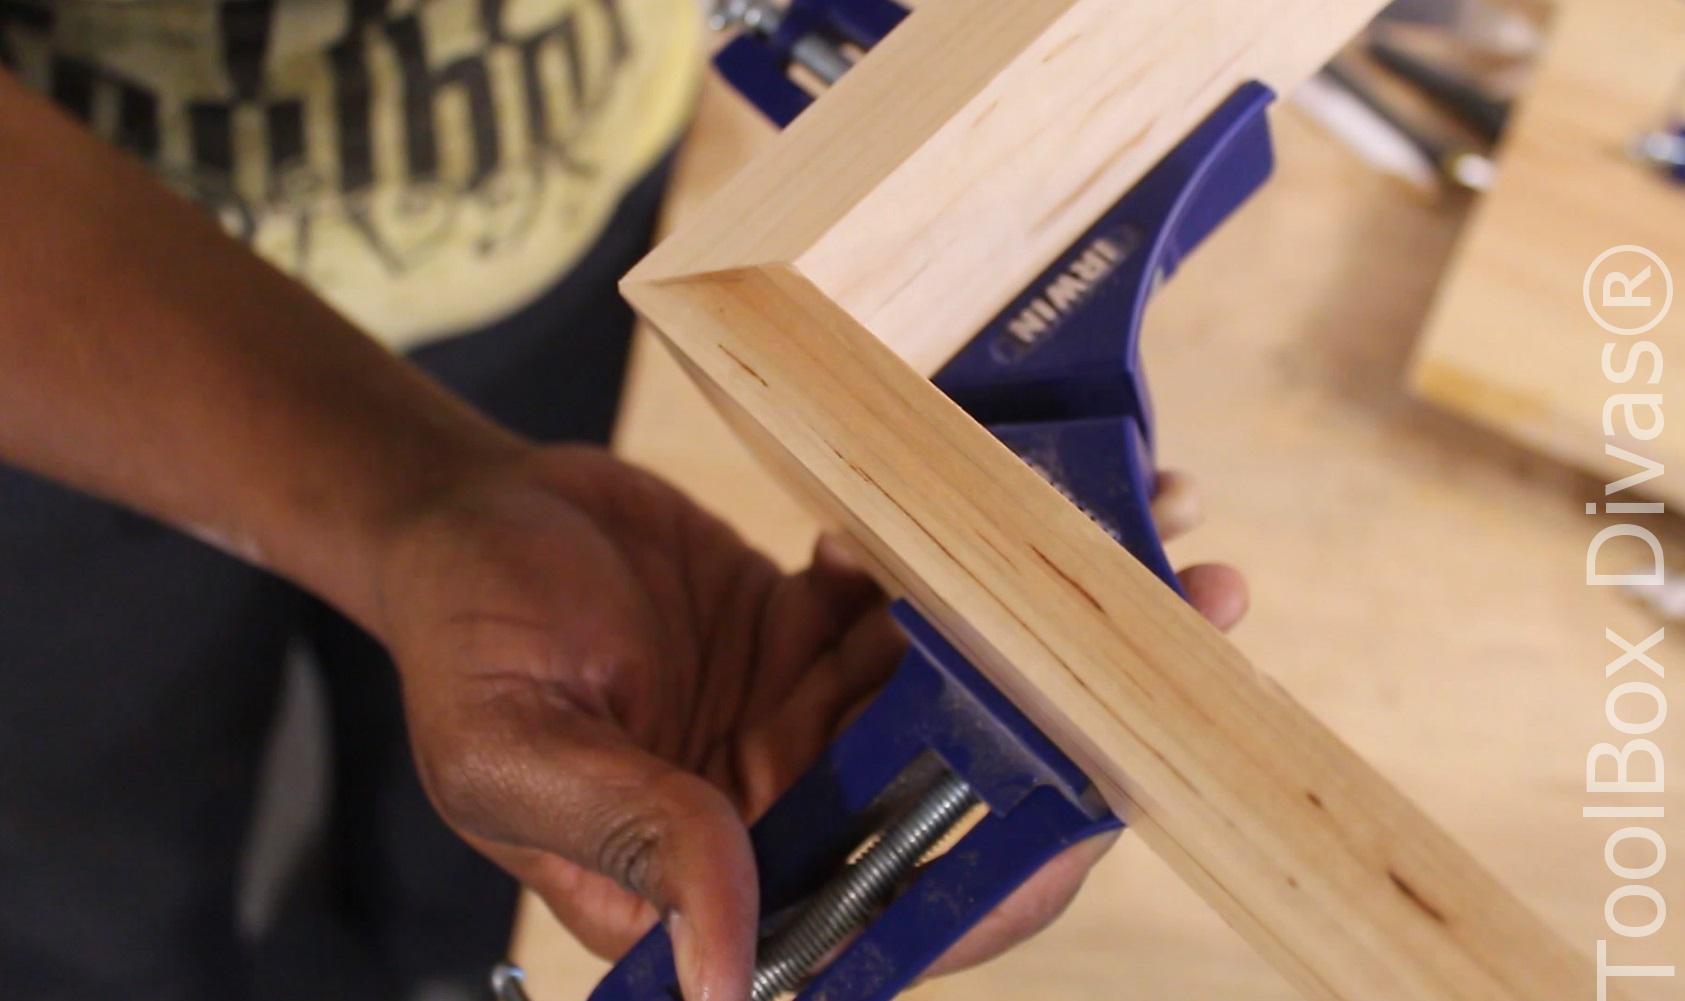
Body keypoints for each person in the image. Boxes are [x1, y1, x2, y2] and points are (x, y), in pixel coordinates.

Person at [0, 2, 1248, 999]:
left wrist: (438, 509)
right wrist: (413, 498)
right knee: (93, 867)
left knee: (495, 824)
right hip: (59, 342)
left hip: (557, 214)